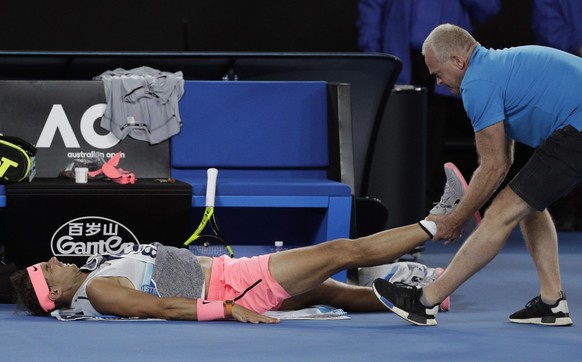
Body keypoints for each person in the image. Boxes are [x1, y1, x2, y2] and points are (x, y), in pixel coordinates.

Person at [10, 164, 476, 323]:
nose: (54, 259)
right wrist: (230, 308)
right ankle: (443, 220)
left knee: (326, 291)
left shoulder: (94, 281)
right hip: (240, 286)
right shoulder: (100, 292)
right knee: (341, 252)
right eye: (47, 269)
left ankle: (428, 298)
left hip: (235, 277)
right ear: (52, 292)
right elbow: (164, 309)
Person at [373, 23, 582, 327]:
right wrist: (461, 214)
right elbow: (504, 160)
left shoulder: (477, 84)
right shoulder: (497, 69)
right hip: (574, 127)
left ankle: (424, 301)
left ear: (458, 61)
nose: (439, 82)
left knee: (500, 213)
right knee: (527, 205)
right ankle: (552, 302)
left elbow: (493, 165)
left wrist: (456, 220)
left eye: (438, 74)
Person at [357, 0, 500, 209]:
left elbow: (488, 8)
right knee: (396, 135)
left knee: (435, 134)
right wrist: (375, 58)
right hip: (402, 58)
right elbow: (372, 8)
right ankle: (395, 202)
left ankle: (427, 201)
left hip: (448, 62)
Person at [531, 0, 582, 231]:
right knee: (562, 137)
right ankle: (566, 209)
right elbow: (546, 21)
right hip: (565, 67)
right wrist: (577, 46)